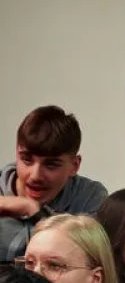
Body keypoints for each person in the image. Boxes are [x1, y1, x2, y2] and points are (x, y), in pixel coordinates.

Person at [0, 106, 107, 262]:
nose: (35, 176)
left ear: (74, 165)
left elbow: (83, 260)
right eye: (27, 160)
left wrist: (33, 212)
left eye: (51, 165)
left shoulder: (90, 196)